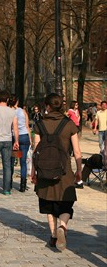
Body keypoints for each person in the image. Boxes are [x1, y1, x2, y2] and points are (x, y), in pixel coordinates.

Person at [31, 93, 82, 251]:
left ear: (47, 106)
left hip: (45, 169)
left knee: (48, 202)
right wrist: (79, 170)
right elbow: (77, 152)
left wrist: (33, 171)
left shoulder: (39, 124)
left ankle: (53, 236)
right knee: (66, 202)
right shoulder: (69, 124)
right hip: (64, 169)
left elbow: (36, 150)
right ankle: (63, 226)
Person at [9, 96, 32, 192]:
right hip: (24, 137)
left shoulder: (9, 112)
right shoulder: (23, 112)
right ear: (17, 102)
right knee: (23, 162)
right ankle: (23, 184)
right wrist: (30, 138)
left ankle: (9, 182)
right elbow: (27, 126)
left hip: (14, 137)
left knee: (12, 161)